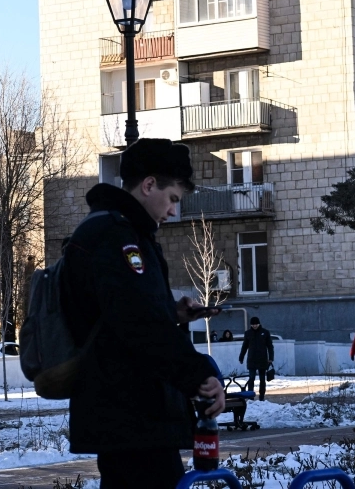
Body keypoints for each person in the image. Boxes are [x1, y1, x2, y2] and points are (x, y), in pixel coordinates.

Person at [63, 138, 225, 489]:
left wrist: (174, 314)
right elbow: (139, 325)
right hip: (132, 413)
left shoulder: (113, 230)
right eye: (173, 199)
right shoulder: (117, 237)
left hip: (129, 413)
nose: (172, 211)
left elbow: (122, 313)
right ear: (149, 184)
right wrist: (197, 375)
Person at [239, 317, 274, 400]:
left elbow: (270, 346)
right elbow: (244, 346)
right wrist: (241, 356)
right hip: (252, 359)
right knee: (251, 379)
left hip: (262, 359)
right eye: (253, 324)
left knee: (262, 379)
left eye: (256, 324)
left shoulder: (265, 332)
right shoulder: (248, 333)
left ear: (259, 324)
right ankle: (250, 396)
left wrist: (271, 358)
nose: (254, 326)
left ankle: (262, 396)